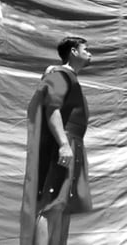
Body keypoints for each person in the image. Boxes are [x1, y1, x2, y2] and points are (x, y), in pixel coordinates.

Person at [20, 37, 94, 244]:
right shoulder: (61, 75)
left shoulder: (69, 77)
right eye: (86, 50)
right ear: (73, 51)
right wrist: (63, 145)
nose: (90, 54)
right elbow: (52, 109)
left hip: (73, 143)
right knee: (52, 204)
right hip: (64, 143)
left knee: (64, 206)